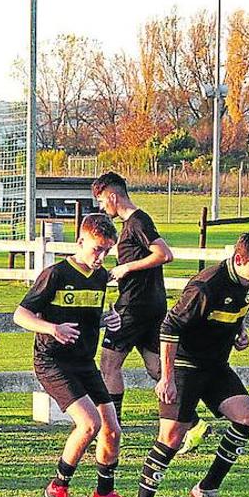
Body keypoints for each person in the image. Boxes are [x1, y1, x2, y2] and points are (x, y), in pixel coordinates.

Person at [122, 232, 249, 497]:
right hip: (184, 366)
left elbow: (234, 311)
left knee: (247, 418)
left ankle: (207, 488)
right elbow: (169, 328)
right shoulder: (205, 286)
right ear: (238, 260)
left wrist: (240, 331)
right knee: (171, 438)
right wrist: (166, 378)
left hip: (215, 365)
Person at [14, 214, 131, 497]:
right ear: (80, 242)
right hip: (52, 362)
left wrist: (107, 320)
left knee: (113, 430)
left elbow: (88, 317)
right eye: (96, 250)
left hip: (83, 362)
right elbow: (21, 315)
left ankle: (104, 493)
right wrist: (52, 328)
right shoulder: (55, 274)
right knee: (89, 424)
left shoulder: (100, 276)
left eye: (107, 251)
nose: (101, 257)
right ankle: (58, 485)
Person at [95, 172, 173, 422]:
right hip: (152, 305)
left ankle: (111, 427)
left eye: (101, 201)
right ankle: (190, 422)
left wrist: (126, 268)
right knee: (156, 368)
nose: (100, 206)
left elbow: (163, 254)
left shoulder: (137, 221)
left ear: (113, 196)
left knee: (108, 366)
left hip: (133, 306)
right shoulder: (132, 224)